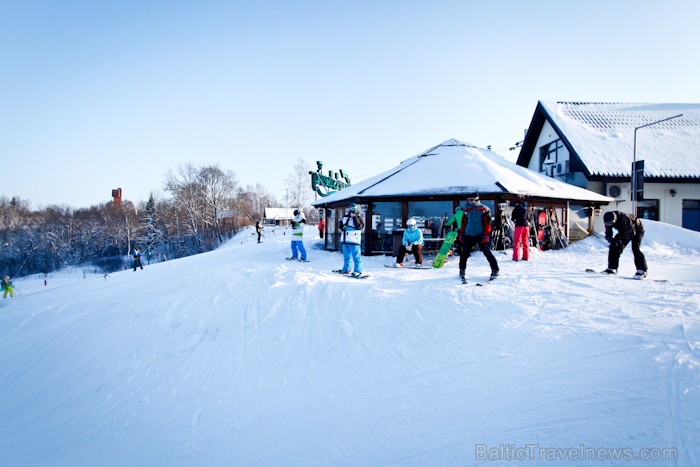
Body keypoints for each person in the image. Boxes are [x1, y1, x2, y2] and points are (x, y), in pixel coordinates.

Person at [458, 195, 499, 281]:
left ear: (475, 200)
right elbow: (463, 223)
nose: (469, 201)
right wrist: (461, 233)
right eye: (468, 200)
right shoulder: (467, 209)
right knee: (464, 253)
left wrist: (486, 235)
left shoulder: (484, 208)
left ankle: (495, 269)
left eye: (470, 199)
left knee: (486, 252)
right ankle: (462, 270)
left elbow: (488, 223)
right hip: (469, 234)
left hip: (480, 234)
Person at [603, 211, 647, 278]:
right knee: (614, 247)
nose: (610, 225)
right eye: (608, 224)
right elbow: (608, 233)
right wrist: (611, 241)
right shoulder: (608, 219)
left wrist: (620, 241)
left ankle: (642, 270)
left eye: (612, 223)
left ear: (615, 219)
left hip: (637, 230)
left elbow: (630, 233)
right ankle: (612, 268)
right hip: (624, 230)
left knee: (635, 248)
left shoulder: (625, 218)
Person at [338, 203, 364, 276]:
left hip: (354, 240)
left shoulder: (359, 217)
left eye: (354, 208)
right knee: (346, 257)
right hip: (345, 240)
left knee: (356, 257)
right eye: (351, 209)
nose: (353, 210)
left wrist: (354, 217)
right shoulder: (345, 217)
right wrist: (342, 226)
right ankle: (346, 269)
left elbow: (359, 226)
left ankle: (357, 271)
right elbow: (341, 226)